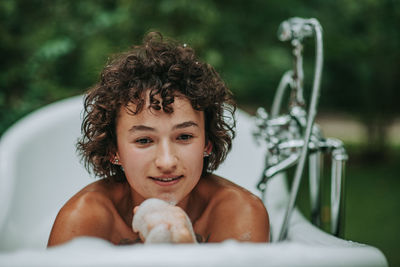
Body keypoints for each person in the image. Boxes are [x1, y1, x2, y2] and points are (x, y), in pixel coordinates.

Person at [47, 32, 269, 246]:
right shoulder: (83, 220)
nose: (166, 162)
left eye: (184, 136)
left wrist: (186, 253)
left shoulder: (238, 213)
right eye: (144, 140)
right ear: (114, 150)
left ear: (207, 143)